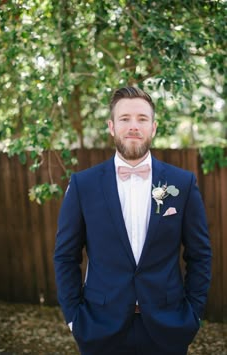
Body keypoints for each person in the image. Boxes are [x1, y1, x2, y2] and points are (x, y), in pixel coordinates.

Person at [54, 86, 212, 355]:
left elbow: (200, 254)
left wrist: (192, 314)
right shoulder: (83, 185)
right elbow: (65, 256)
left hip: (168, 327)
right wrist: (74, 319)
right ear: (112, 126)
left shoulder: (182, 183)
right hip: (100, 327)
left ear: (153, 127)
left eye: (142, 119)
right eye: (125, 118)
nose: (133, 126)